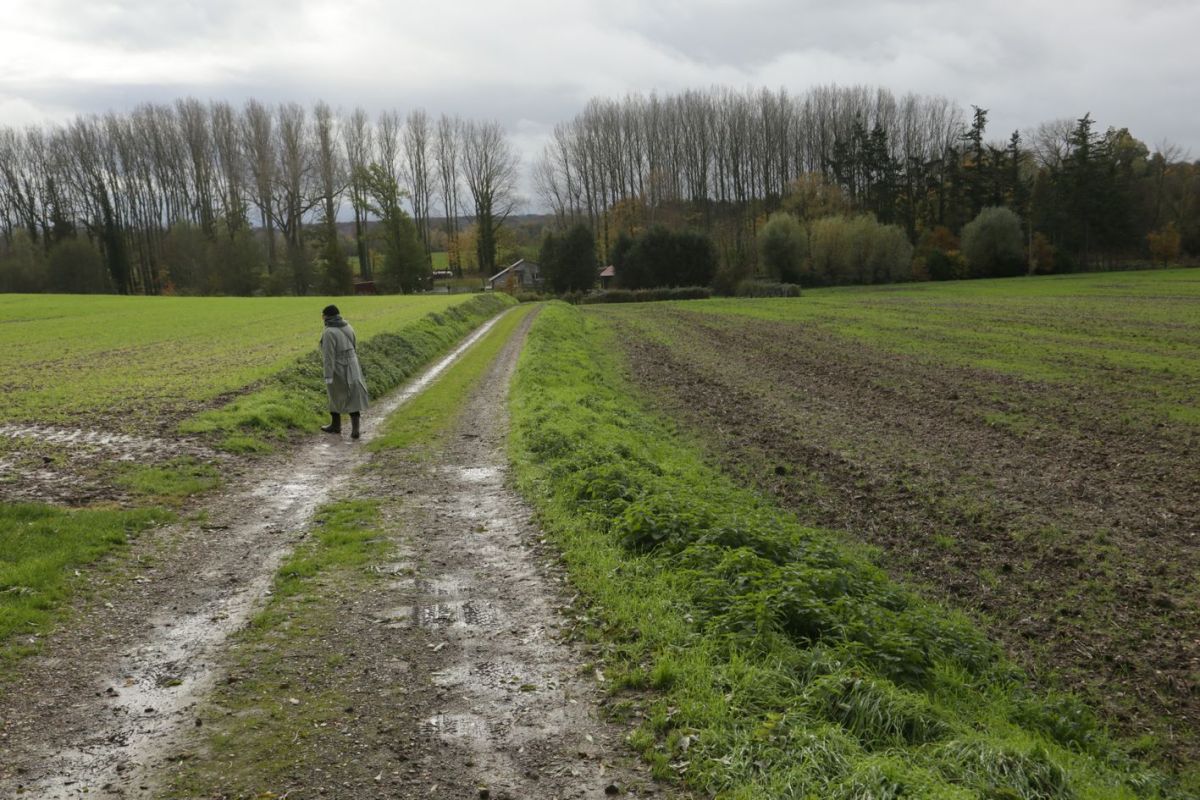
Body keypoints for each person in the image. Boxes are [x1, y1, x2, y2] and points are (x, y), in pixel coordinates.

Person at [319, 304, 370, 439]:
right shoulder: (348, 326)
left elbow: (328, 356)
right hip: (353, 364)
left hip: (338, 367)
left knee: (334, 395)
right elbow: (354, 345)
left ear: (326, 316)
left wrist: (328, 375)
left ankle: (336, 426)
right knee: (354, 395)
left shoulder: (329, 332)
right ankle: (355, 429)